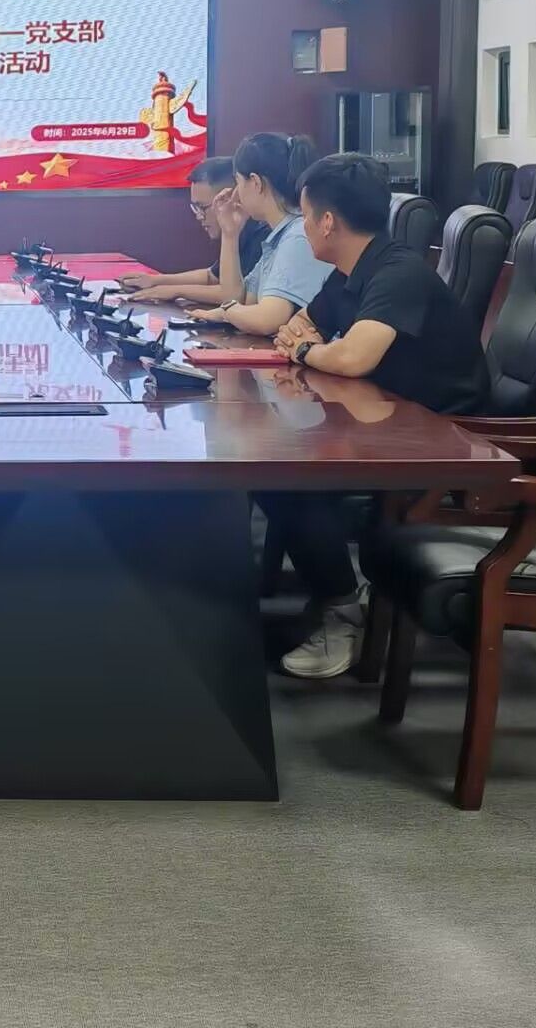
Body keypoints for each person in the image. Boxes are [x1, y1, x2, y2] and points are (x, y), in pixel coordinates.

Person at [260, 152, 491, 680]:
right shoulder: (350, 271)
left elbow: (350, 357)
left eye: (305, 215)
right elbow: (298, 326)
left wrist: (306, 352)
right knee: (274, 469)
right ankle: (337, 595)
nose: (302, 227)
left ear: (327, 222)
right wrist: (310, 346)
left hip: (443, 439)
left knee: (291, 480)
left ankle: (343, 613)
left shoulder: (397, 272)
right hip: (387, 421)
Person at [185, 132, 328, 337]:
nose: (236, 192)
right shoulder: (278, 236)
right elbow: (238, 299)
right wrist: (230, 234)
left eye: (238, 182)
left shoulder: (298, 236)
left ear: (255, 183)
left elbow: (266, 319)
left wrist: (226, 313)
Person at [122, 156, 269, 306]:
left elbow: (234, 295)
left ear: (231, 199)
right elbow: (212, 276)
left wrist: (175, 291)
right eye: (195, 208)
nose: (199, 216)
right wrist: (154, 280)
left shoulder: (264, 236)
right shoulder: (237, 232)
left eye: (203, 207)